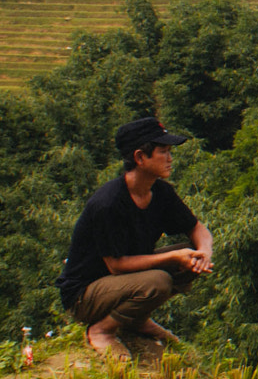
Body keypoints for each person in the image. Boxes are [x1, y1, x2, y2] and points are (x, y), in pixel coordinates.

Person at [55, 117, 214, 358]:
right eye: (163, 152)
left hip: (124, 282)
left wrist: (203, 253)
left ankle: (136, 319)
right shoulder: (108, 203)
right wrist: (173, 256)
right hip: (86, 294)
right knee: (159, 280)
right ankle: (101, 330)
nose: (170, 159)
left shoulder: (161, 192)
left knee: (189, 259)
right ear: (140, 158)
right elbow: (117, 266)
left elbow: (198, 229)